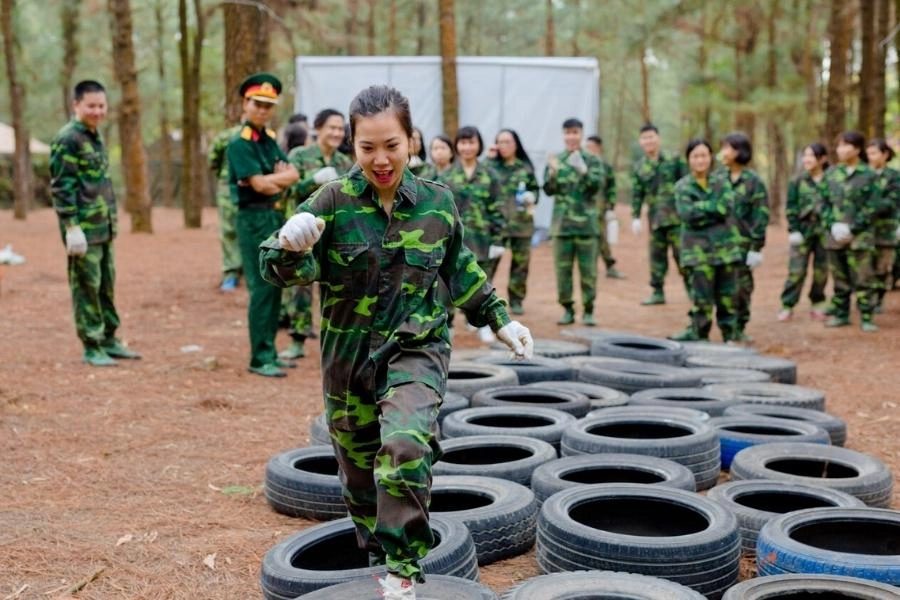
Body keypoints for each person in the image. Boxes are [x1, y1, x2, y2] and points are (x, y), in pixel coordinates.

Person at [260, 84, 534, 600]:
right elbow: (277, 268)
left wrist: (499, 318)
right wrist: (288, 243)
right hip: (348, 361)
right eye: (368, 148)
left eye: (392, 145)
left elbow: (461, 268)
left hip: (417, 349)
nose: (381, 160)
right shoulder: (332, 202)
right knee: (359, 472)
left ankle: (405, 568)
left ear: (411, 140)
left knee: (405, 445)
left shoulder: (436, 202)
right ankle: (382, 557)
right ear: (353, 148)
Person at [49, 80, 141, 366]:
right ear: (76, 105)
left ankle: (109, 339)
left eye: (102, 106)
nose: (98, 111)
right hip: (83, 230)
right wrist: (71, 226)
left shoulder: (94, 136)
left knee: (105, 286)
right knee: (86, 287)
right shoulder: (68, 138)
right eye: (91, 105)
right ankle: (91, 344)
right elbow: (62, 186)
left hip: (103, 227)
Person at [226, 72, 300, 376]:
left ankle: (269, 349)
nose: (262, 110)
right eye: (257, 104)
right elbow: (260, 186)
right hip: (253, 218)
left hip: (274, 216)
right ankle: (259, 357)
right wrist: (274, 179)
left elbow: (293, 173)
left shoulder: (268, 140)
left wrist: (275, 179)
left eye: (268, 106)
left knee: (274, 285)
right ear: (245, 103)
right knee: (260, 287)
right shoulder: (239, 144)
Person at [279, 108, 354, 360]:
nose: (336, 133)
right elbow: (289, 190)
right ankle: (298, 340)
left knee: (334, 288)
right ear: (318, 128)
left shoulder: (344, 162)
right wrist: (313, 180)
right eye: (331, 127)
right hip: (305, 232)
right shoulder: (300, 155)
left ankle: (332, 343)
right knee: (300, 285)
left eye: (340, 128)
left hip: (334, 234)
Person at [669, 138, 742, 342]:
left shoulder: (722, 182)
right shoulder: (682, 186)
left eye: (704, 155)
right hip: (697, 253)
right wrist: (712, 207)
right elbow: (687, 215)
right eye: (695, 156)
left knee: (728, 298)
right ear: (689, 160)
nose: (700, 160)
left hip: (725, 251)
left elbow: (726, 208)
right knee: (701, 299)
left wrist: (701, 208)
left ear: (710, 158)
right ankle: (699, 336)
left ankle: (730, 335)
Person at [444, 125, 505, 342]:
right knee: (448, 283)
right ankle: (447, 323)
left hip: (483, 239)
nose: (467, 147)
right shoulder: (447, 174)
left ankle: (481, 324)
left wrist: (498, 239)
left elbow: (498, 208)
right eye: (463, 142)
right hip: (455, 241)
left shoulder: (490, 175)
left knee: (482, 283)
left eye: (471, 142)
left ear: (478, 145)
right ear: (456, 146)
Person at [543, 117, 603, 326]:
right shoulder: (557, 159)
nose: (571, 137)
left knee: (589, 273)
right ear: (563, 135)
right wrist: (551, 172)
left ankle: (588, 310)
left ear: (581, 134)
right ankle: (567, 308)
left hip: (587, 227)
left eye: (575, 132)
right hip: (562, 226)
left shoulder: (592, 160)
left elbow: (596, 187)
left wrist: (583, 170)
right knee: (563, 273)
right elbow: (549, 191)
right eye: (567, 133)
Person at [822, 131, 881, 332]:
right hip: (834, 237)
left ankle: (866, 315)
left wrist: (853, 227)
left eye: (846, 145)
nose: (841, 149)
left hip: (860, 237)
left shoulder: (869, 175)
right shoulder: (831, 174)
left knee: (864, 277)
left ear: (857, 149)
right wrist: (832, 224)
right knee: (839, 278)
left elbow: (873, 206)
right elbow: (822, 203)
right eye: (839, 145)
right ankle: (841, 314)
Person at [630, 123, 688, 305]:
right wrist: (635, 216)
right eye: (644, 138)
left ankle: (693, 289)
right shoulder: (640, 166)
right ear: (640, 142)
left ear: (658, 138)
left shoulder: (674, 159)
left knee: (683, 255)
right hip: (655, 220)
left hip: (677, 218)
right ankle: (657, 291)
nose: (649, 141)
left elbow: (687, 183)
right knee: (656, 257)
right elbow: (637, 192)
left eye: (651, 137)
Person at [719, 132, 769, 342]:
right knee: (722, 289)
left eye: (727, 148)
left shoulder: (753, 182)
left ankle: (739, 327)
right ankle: (725, 329)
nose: (723, 152)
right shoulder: (718, 178)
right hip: (719, 245)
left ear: (739, 151)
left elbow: (761, 214)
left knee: (741, 290)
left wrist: (756, 247)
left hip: (742, 245)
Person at [488, 128, 538, 315]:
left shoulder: (525, 168)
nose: (504, 146)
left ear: (516, 144)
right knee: (488, 264)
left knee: (520, 265)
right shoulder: (491, 167)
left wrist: (531, 196)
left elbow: (536, 192)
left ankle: (516, 300)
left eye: (508, 142)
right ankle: (482, 299)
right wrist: (489, 158)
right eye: (500, 142)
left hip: (521, 224)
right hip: (497, 225)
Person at [778, 143, 831, 321]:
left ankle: (817, 302)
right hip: (803, 230)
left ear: (822, 159)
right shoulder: (797, 181)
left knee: (821, 271)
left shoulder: (831, 180)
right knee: (796, 271)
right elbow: (791, 207)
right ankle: (787, 304)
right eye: (805, 155)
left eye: (811, 156)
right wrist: (793, 229)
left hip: (824, 232)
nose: (807, 159)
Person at [208, 117, 244, 291]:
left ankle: (242, 270)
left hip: (254, 190)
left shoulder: (265, 137)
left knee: (240, 230)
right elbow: (213, 159)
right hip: (228, 188)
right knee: (229, 230)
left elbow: (212, 161)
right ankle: (231, 273)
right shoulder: (227, 136)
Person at [864, 138, 900, 313]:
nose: (871, 157)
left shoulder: (894, 176)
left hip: (886, 230)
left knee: (882, 266)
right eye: (868, 153)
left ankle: (877, 299)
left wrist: (868, 208)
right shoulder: (861, 174)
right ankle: (865, 299)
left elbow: (892, 201)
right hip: (863, 230)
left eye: (874, 153)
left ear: (885, 154)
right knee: (863, 266)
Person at [585, 134, 625, 280]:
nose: (589, 150)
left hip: (599, 208)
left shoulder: (605, 166)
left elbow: (612, 187)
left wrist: (610, 207)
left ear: (599, 148)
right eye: (587, 147)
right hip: (584, 208)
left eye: (592, 147)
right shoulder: (583, 164)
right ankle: (591, 267)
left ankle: (608, 265)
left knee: (600, 237)